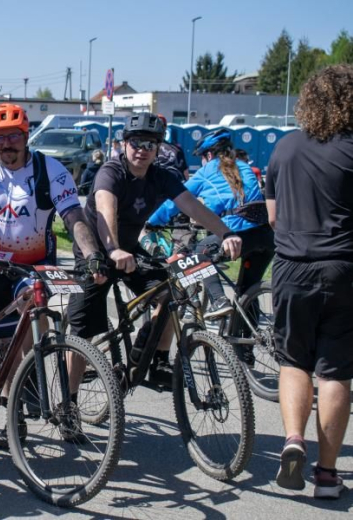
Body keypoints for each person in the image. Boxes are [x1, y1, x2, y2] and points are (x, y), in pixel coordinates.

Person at [0, 102, 106, 449]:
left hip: (35, 266)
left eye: (13, 136)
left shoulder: (50, 170)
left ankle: (40, 407)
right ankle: (18, 412)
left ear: (26, 137)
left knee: (33, 335)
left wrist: (92, 255)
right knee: (8, 344)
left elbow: (73, 216)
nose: (6, 145)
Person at [66, 113, 242, 388]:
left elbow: (192, 206)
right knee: (81, 333)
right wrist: (111, 250)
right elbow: (104, 210)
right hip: (96, 251)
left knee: (172, 292)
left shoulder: (162, 176)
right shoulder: (111, 172)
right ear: (124, 144)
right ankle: (69, 406)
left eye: (150, 145)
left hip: (129, 249)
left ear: (158, 148)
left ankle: (156, 359)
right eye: (136, 142)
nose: (142, 150)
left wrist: (226, 233)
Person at [266, 65, 353, 499]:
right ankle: (326, 474)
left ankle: (294, 439)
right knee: (335, 370)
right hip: (343, 267)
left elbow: (273, 216)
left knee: (293, 360)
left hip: (291, 266)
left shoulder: (285, 149)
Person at [148, 128, 274, 319]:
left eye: (202, 158)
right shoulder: (244, 166)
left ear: (208, 154)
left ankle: (219, 301)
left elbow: (176, 200)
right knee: (247, 290)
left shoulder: (206, 171)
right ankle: (246, 345)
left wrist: (152, 222)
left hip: (236, 233)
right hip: (264, 236)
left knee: (200, 252)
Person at [155, 114, 189, 181]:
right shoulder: (177, 149)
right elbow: (186, 175)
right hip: (174, 187)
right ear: (165, 129)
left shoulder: (146, 148)